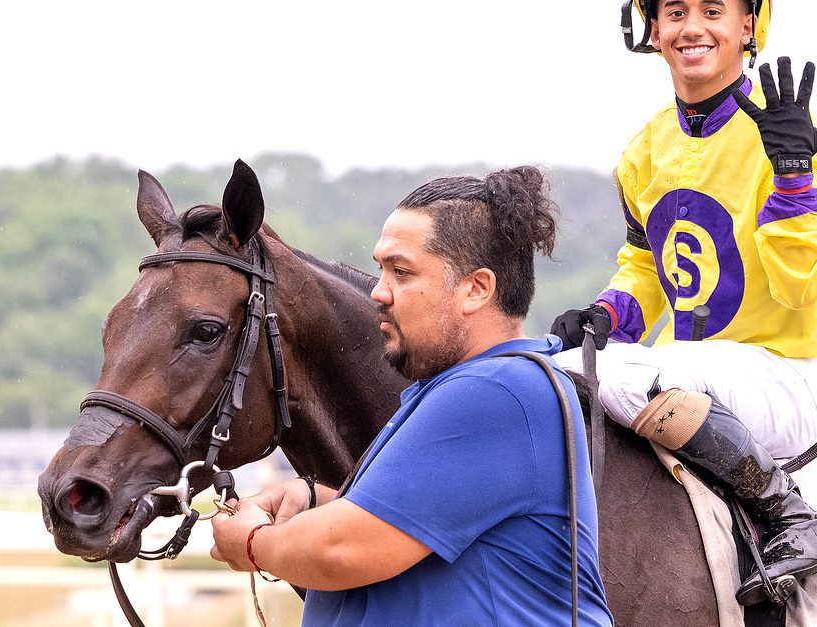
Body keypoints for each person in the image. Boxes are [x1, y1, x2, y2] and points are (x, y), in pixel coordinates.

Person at [550, 0, 817, 607]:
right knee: (557, 361)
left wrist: (794, 176)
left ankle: (791, 515)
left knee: (625, 373)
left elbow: (808, 288)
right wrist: (606, 315)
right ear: (652, 32)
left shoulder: (801, 136)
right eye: (675, 12)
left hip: (784, 377)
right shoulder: (642, 151)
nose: (692, 26)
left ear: (748, 26)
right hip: (698, 376)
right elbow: (644, 267)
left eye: (712, 11)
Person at [212, 166, 613, 625]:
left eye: (401, 272)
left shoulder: (494, 391)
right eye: (382, 269)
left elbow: (340, 550)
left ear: (476, 289)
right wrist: (321, 503)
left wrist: (251, 542)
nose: (378, 292)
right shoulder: (470, 389)